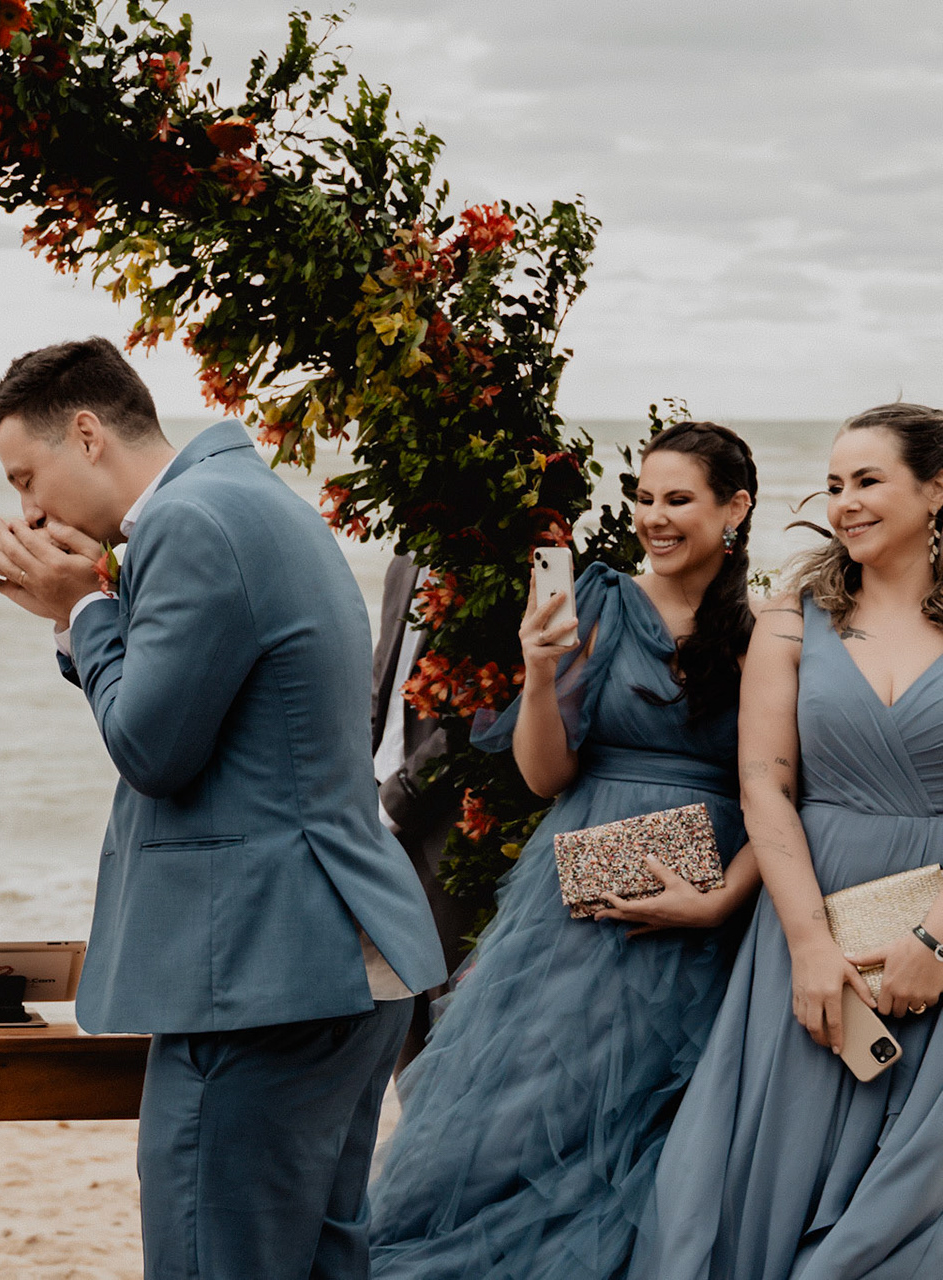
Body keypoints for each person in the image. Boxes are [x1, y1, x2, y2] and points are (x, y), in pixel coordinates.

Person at [0, 336, 446, 1279]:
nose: (27, 510)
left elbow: (153, 748)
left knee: (209, 1255)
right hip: (341, 958)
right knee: (319, 1257)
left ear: (87, 434)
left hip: (265, 970)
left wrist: (81, 613)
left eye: (28, 477)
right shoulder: (249, 498)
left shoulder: (189, 520)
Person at [368, 421, 766, 1280]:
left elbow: (783, 796)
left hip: (711, 912)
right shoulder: (601, 603)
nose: (654, 518)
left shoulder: (765, 634)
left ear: (734, 508)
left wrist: (723, 900)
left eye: (679, 499)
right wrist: (540, 670)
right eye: (644, 498)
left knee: (661, 1124)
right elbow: (545, 776)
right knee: (528, 1110)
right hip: (582, 909)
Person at [636, 403, 943, 1280]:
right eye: (835, 484)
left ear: (936, 490)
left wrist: (933, 939)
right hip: (810, 919)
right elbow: (766, 788)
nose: (845, 502)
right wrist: (808, 947)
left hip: (936, 916)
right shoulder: (791, 619)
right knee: (767, 1175)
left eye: (869, 480)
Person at [371, 552, 493, 1071]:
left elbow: (479, 714)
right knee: (397, 1023)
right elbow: (380, 685)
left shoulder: (493, 563)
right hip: (377, 824)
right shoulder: (404, 563)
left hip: (449, 834)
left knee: (454, 1034)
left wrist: (393, 802)